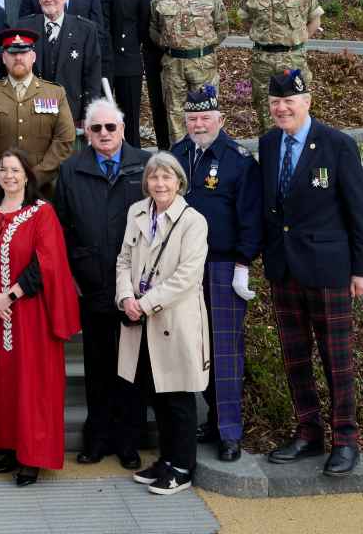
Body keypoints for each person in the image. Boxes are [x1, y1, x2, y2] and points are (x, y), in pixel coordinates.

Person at [258, 68, 363, 476]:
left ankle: (346, 440)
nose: (282, 108)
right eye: (275, 102)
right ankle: (308, 432)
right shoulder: (269, 142)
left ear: (307, 102)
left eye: (289, 101)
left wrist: (362, 269)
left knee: (336, 360)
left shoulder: (337, 144)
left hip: (328, 269)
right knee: (295, 358)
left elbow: (359, 210)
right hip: (284, 269)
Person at [0, 147, 79, 487]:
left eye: (16, 170)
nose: (9, 176)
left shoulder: (41, 213)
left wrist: (10, 295)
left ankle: (32, 458)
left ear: (27, 175)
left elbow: (45, 263)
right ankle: (9, 447)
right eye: (3, 170)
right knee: (2, 385)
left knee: (31, 386)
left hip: (29, 316)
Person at [52, 98, 150, 468]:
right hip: (90, 284)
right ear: (86, 133)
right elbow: (60, 229)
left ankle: (128, 441)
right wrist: (71, 278)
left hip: (135, 289)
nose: (104, 134)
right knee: (97, 368)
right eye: (96, 128)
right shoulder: (71, 170)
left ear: (123, 129)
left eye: (111, 127)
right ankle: (96, 439)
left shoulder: (143, 165)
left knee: (131, 369)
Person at [170, 84, 262, 462]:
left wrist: (243, 263)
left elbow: (251, 218)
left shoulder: (239, 160)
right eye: (192, 118)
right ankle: (209, 421)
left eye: (205, 117)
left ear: (220, 119)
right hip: (182, 268)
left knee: (225, 350)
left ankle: (229, 432)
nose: (198, 123)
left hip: (222, 265)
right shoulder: (177, 155)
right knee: (194, 347)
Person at [116, 150, 212, 497]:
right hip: (140, 318)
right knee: (155, 393)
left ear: (178, 182)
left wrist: (144, 303)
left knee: (179, 398)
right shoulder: (136, 212)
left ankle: (183, 467)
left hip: (173, 319)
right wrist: (125, 296)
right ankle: (166, 459)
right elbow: (124, 258)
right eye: (154, 177)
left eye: (166, 177)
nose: (159, 183)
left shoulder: (194, 221)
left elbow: (187, 277)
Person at [0, 27, 76, 194]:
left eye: (24, 52)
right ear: (4, 58)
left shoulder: (55, 93)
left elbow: (65, 139)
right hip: (0, 188)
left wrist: (35, 176)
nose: (18, 58)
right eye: (12, 53)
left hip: (44, 189)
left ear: (33, 57)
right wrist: (5, 173)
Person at [240, 0, 323, 131]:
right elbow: (245, 19)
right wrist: (262, 37)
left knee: (297, 108)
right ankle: (271, 155)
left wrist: (296, 41)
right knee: (265, 108)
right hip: (263, 60)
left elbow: (314, 20)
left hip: (293, 57)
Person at [149, 0, 228, 146]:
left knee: (206, 111)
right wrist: (171, 45)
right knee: (175, 114)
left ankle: (208, 154)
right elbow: (153, 28)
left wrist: (201, 48)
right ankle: (181, 157)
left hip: (204, 65)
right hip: (173, 65)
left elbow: (222, 28)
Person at [32, 0, 103, 126]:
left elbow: (92, 76)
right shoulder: (25, 27)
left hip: (72, 113)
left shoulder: (86, 29)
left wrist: (88, 114)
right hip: (33, 114)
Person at [100, 0, 150, 146]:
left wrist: (131, 45)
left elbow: (144, 25)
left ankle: (133, 156)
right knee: (101, 114)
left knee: (130, 114)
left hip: (128, 60)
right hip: (103, 59)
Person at [134, 0, 177, 149]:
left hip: (179, 56)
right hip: (153, 55)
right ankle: (163, 149)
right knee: (158, 104)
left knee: (179, 104)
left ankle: (183, 149)